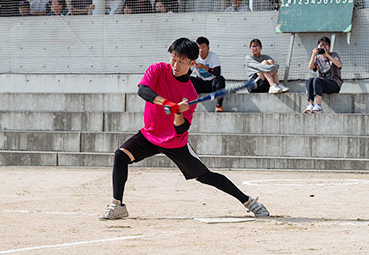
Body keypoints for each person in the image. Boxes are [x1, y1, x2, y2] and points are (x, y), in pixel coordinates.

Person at [99, 37, 270, 220]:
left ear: (192, 63)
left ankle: (249, 202)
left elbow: (182, 129)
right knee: (121, 155)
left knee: (204, 176)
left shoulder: (189, 92)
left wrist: (178, 113)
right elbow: (143, 90)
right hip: (150, 135)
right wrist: (166, 102)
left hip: (174, 142)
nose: (176, 64)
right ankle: (117, 205)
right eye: (174, 58)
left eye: (181, 61)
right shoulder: (158, 69)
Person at [303, 37, 343, 114]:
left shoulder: (334, 55)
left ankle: (318, 106)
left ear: (329, 47)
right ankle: (311, 105)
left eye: (325, 45)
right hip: (322, 83)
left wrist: (328, 55)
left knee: (317, 80)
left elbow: (339, 65)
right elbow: (310, 67)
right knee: (310, 80)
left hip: (334, 83)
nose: (323, 47)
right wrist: (313, 54)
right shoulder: (317, 57)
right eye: (321, 46)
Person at [190, 36, 227, 112]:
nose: (201, 50)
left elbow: (217, 72)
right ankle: (191, 105)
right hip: (201, 83)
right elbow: (188, 73)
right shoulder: (195, 58)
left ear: (208, 48)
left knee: (220, 79)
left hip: (212, 84)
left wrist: (205, 67)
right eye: (199, 48)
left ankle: (219, 105)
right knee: (190, 80)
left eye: (203, 47)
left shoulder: (214, 56)